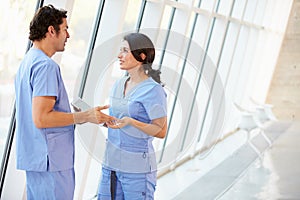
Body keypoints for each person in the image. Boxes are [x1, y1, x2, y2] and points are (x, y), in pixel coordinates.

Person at [14, 5, 115, 200]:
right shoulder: (46, 66)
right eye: (65, 28)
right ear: (51, 30)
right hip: (51, 162)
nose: (68, 35)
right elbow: (42, 118)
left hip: (37, 160)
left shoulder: (28, 62)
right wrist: (86, 116)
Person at [97, 33, 168, 199]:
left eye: (124, 51)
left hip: (137, 170)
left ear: (141, 56)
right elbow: (119, 120)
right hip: (111, 164)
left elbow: (161, 131)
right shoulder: (118, 84)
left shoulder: (153, 90)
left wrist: (132, 122)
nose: (119, 55)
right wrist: (104, 119)